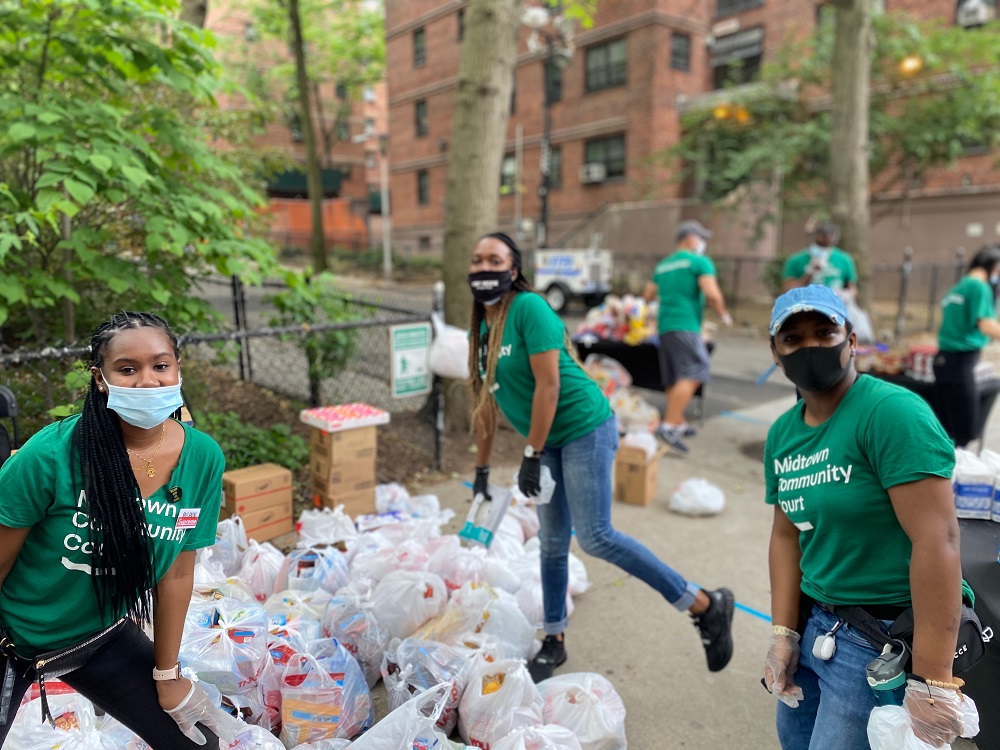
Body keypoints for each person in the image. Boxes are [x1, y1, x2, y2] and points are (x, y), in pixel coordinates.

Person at [467, 231, 735, 683]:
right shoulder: (481, 327)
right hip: (544, 440)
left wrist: (531, 453)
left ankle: (705, 604)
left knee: (595, 536)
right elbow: (485, 404)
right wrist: (482, 468)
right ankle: (554, 639)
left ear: (513, 270)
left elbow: (550, 387)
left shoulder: (528, 309)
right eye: (476, 260)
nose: (483, 268)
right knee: (551, 545)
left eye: (494, 259)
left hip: (583, 427)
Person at [0, 312, 233, 747]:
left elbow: (177, 573)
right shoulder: (51, 454)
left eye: (160, 366)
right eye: (127, 369)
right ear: (101, 378)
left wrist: (168, 676)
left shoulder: (202, 458)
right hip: (10, 634)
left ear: (178, 370)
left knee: (196, 740)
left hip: (98, 634)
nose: (147, 381)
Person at [763, 285, 967, 750]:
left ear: (851, 340)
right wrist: (784, 633)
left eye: (824, 332)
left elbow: (939, 540)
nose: (809, 346)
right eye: (792, 338)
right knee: (793, 740)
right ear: (775, 353)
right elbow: (785, 536)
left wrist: (934, 677)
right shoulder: (782, 434)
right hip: (815, 621)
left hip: (876, 639)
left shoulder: (890, 413)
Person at [642, 219, 732, 453]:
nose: (703, 243)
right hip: (686, 324)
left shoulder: (663, 265)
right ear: (691, 239)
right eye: (701, 238)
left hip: (666, 326)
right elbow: (712, 294)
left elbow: (648, 295)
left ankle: (678, 421)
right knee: (696, 369)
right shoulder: (699, 262)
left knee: (675, 376)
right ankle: (669, 425)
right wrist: (723, 315)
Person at [934, 244, 1000, 448]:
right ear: (991, 266)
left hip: (944, 360)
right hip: (960, 363)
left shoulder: (960, 286)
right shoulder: (979, 287)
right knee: (964, 431)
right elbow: (986, 323)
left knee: (948, 427)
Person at [782, 223, 858, 296]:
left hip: (836, 302)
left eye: (830, 236)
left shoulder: (844, 259)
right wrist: (810, 273)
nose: (827, 238)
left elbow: (852, 287)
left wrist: (846, 295)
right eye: (823, 235)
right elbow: (788, 288)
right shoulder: (797, 259)